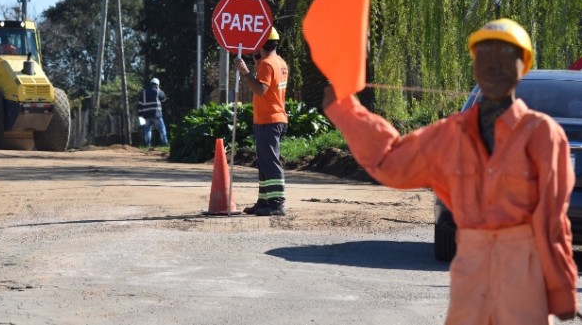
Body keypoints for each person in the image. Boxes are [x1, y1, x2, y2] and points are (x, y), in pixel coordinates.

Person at [322, 18, 577, 324]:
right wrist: (346, 111)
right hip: (470, 274)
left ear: (523, 66)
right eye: (484, 55)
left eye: (505, 56)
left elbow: (551, 217)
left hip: (524, 275)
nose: (493, 65)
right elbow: (392, 161)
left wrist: (561, 290)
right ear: (474, 67)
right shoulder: (450, 134)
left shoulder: (543, 134)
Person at [233, 27, 290, 216]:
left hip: (269, 120)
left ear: (261, 44)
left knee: (270, 162)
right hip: (273, 118)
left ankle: (276, 202)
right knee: (265, 163)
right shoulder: (279, 62)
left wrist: (246, 73)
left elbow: (261, 90)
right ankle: (265, 200)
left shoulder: (267, 64)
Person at [137, 78, 168, 148]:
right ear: (157, 84)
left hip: (146, 115)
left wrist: (140, 115)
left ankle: (148, 145)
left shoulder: (144, 92)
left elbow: (140, 104)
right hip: (156, 115)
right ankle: (165, 144)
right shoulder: (158, 91)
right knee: (162, 128)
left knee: (147, 129)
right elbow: (163, 99)